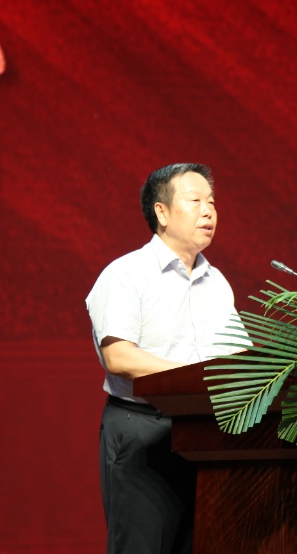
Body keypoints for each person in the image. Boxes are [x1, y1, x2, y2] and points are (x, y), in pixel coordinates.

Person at [85, 163, 243, 554]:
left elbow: (238, 359)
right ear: (162, 212)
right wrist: (192, 377)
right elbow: (118, 356)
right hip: (143, 430)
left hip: (208, 434)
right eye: (195, 201)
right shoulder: (126, 274)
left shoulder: (217, 282)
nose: (208, 211)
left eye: (212, 202)